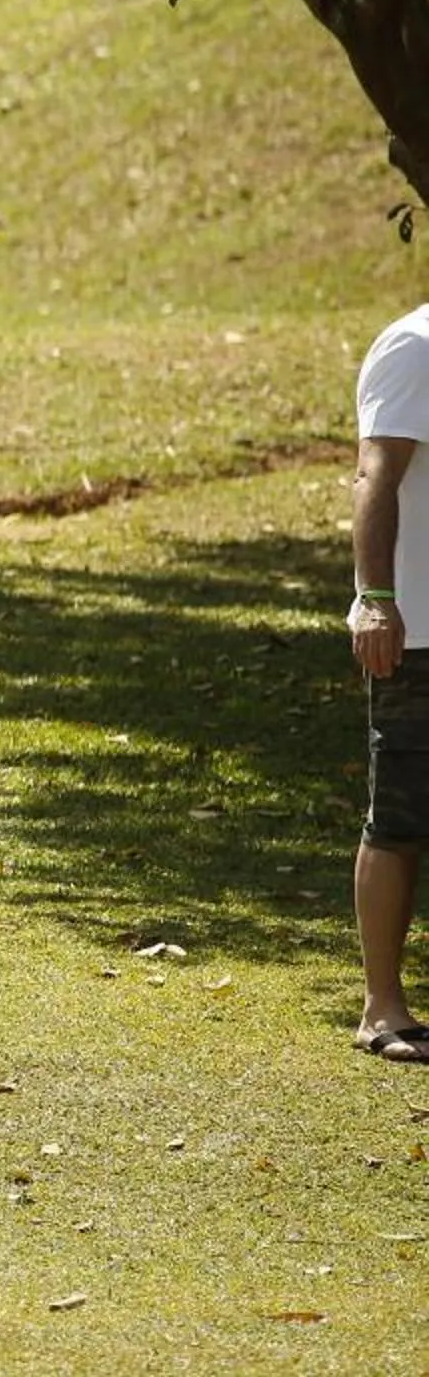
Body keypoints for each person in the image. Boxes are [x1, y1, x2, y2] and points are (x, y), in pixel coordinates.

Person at [350, 302, 429, 1059]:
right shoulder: (415, 345)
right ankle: (383, 1009)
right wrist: (377, 602)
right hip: (421, 633)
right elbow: (376, 474)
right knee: (400, 817)